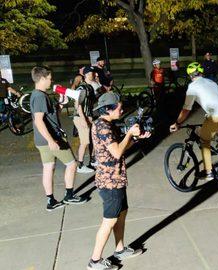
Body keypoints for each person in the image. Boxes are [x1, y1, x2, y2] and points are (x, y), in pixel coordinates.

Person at [87, 92, 148, 270]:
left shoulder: (106, 124)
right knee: (109, 220)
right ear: (108, 109)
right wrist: (129, 133)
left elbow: (119, 146)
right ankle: (95, 261)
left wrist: (135, 138)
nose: (122, 110)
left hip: (116, 179)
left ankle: (120, 250)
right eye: (119, 107)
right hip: (109, 182)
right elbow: (116, 152)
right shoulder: (103, 127)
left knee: (121, 214)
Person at [30, 66, 86, 211]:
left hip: (42, 140)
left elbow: (50, 116)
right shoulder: (40, 96)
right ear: (42, 79)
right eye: (49, 78)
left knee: (48, 168)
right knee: (72, 164)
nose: (51, 81)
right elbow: (39, 120)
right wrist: (51, 140)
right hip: (52, 138)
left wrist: (61, 103)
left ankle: (51, 200)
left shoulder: (37, 95)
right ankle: (69, 195)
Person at [169, 62, 218, 181]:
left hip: (216, 116)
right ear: (201, 72)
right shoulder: (211, 82)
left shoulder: (192, 87)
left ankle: (208, 172)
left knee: (204, 141)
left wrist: (177, 123)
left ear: (190, 75)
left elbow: (186, 109)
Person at [73, 66, 99, 174]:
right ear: (86, 74)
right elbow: (77, 104)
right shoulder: (81, 88)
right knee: (84, 142)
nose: (94, 75)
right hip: (81, 117)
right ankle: (80, 165)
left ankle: (93, 160)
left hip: (88, 116)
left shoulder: (90, 87)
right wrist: (84, 119)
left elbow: (92, 101)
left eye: (94, 73)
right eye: (92, 73)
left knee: (94, 137)